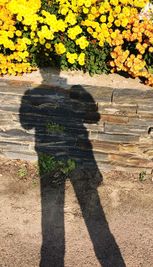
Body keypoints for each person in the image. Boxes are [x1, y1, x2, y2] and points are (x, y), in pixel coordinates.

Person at [19, 68, 126, 267]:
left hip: (52, 157)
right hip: (74, 156)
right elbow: (93, 118)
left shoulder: (33, 93)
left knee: (53, 211)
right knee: (83, 210)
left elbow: (26, 124)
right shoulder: (74, 90)